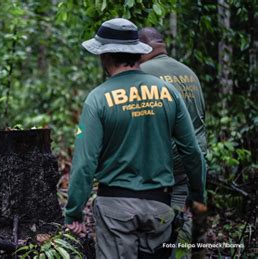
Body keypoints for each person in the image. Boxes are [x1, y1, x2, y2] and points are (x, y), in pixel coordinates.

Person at [64, 18, 207, 258]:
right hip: (160, 207)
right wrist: (197, 195)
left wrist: (73, 212)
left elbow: (84, 164)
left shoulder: (98, 99)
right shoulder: (167, 91)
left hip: (115, 211)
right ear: (136, 54)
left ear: (105, 56)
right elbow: (191, 151)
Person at [139, 27, 208, 257]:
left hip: (161, 165)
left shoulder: (142, 73)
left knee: (155, 228)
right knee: (182, 218)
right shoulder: (189, 73)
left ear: (142, 49)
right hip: (192, 161)